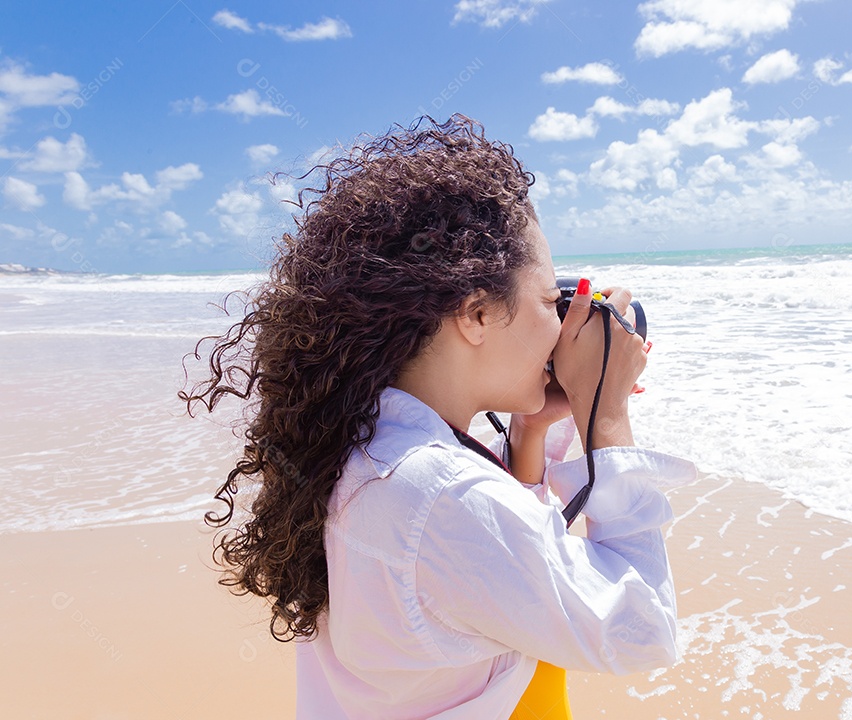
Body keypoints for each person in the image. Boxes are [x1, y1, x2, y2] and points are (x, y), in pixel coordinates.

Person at [182, 114, 696, 719]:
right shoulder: (442, 498)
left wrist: (532, 431)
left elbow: (496, 575)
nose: (561, 324)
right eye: (546, 301)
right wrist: (605, 416)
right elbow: (643, 629)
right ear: (476, 314)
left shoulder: (370, 444)